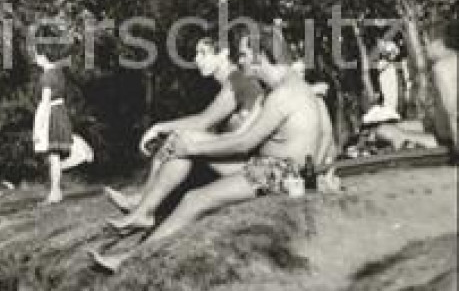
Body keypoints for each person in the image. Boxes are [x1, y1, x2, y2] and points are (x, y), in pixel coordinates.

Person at [90, 29, 324, 274]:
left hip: (282, 173)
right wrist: (191, 143)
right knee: (184, 141)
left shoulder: (284, 94)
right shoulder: (274, 90)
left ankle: (132, 260)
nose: (240, 60)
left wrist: (198, 146)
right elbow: (239, 138)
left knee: (196, 198)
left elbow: (245, 142)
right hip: (264, 165)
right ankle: (145, 211)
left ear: (260, 55)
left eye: (244, 54)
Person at [106, 34, 263, 230]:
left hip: (244, 160)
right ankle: (142, 204)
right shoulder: (231, 82)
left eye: (203, 53)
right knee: (176, 141)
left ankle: (143, 207)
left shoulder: (236, 81)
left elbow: (203, 121)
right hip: (235, 154)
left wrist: (159, 127)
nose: (196, 59)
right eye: (196, 53)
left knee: (178, 140)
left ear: (223, 54)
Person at [33, 41, 92, 205]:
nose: (35, 59)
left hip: (51, 113)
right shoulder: (58, 73)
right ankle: (56, 191)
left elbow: (45, 102)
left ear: (43, 57)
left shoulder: (47, 76)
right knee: (55, 156)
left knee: (53, 156)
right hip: (60, 110)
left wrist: (39, 126)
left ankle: (55, 193)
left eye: (36, 56)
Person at [429, 20, 459, 153]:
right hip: (446, 132)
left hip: (449, 136)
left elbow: (453, 112)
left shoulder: (444, 67)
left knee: (385, 130)